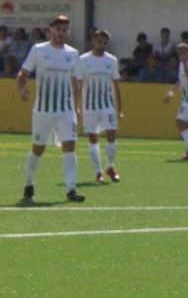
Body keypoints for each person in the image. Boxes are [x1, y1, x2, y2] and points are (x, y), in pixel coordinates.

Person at [16, 14, 86, 202]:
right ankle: (28, 184)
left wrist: (76, 106)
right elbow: (22, 74)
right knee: (38, 148)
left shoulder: (72, 53)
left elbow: (76, 81)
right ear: (51, 30)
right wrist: (22, 88)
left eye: (65, 30)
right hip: (43, 111)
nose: (61, 33)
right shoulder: (38, 50)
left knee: (69, 146)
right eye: (58, 29)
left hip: (66, 111)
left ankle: (71, 189)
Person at [73, 29, 123, 184]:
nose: (102, 45)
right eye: (100, 42)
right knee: (93, 139)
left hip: (107, 105)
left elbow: (115, 85)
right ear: (94, 40)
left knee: (111, 134)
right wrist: (76, 106)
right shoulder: (83, 60)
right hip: (90, 107)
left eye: (105, 43)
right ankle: (98, 172)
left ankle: (110, 166)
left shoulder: (112, 60)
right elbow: (79, 85)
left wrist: (119, 108)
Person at [162, 41, 188, 160]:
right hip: (187, 97)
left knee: (179, 122)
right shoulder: (181, 64)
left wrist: (185, 63)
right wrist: (170, 94)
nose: (181, 55)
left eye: (183, 52)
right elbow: (180, 81)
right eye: (179, 53)